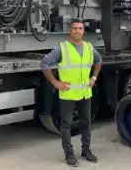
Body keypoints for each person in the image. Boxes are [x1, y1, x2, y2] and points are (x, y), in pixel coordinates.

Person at [41, 18, 102, 167]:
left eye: (80, 28)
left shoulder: (89, 47)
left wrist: (93, 77)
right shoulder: (62, 48)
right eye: (74, 28)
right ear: (70, 31)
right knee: (66, 125)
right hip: (68, 95)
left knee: (86, 123)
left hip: (85, 94)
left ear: (83, 31)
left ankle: (86, 151)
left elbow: (99, 61)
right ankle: (69, 153)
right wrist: (55, 82)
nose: (77, 31)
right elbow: (44, 64)